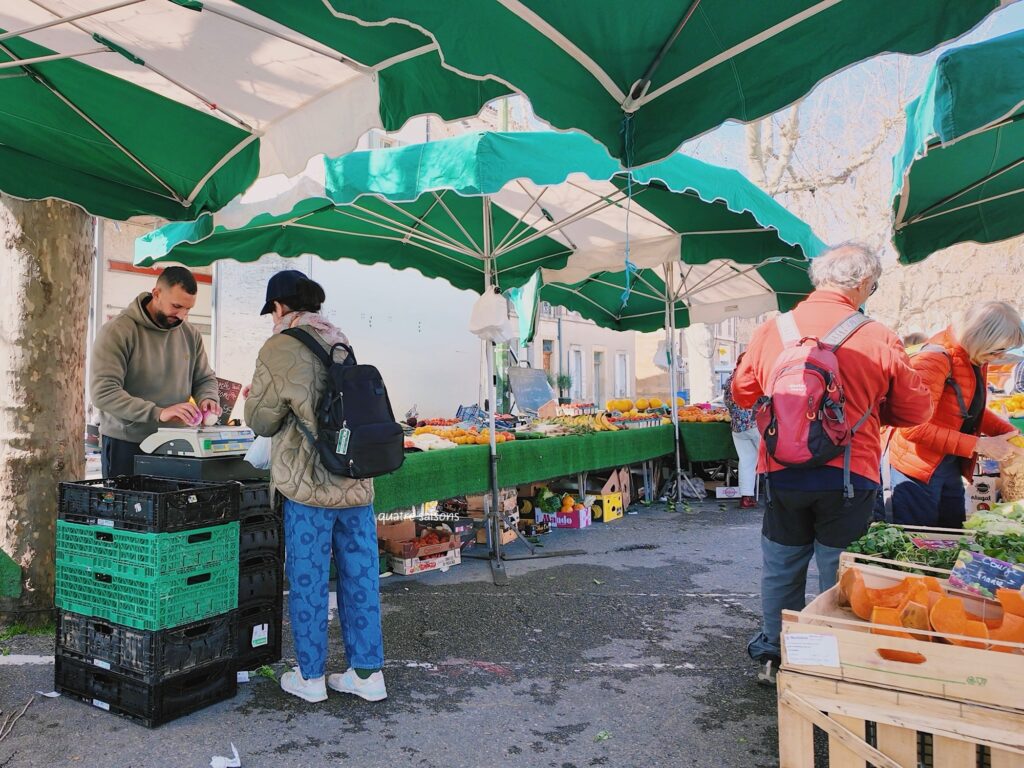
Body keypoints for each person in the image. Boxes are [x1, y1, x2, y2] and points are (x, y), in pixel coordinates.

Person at [731, 243, 932, 685]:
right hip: (850, 474)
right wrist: (868, 410)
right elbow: (916, 410)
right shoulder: (878, 336)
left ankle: (775, 655)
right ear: (863, 283)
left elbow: (743, 393)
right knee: (840, 571)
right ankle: (832, 663)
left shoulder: (772, 330)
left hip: (782, 471)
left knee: (782, 565)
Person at [244, 270, 386, 704]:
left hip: (308, 486)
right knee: (361, 576)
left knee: (308, 580)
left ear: (279, 307)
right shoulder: (339, 340)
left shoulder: (279, 347)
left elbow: (261, 419)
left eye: (272, 311)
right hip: (355, 479)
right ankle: (368, 674)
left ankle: (310, 678)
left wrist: (256, 397)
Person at [889, 302, 1024, 527]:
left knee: (951, 532)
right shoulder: (934, 360)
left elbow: (968, 410)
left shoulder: (973, 356)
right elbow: (912, 428)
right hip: (918, 470)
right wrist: (980, 445)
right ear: (981, 338)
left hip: (947, 462)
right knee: (919, 539)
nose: (1000, 356)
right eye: (997, 350)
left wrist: (1010, 433)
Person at [90, 266, 221, 477]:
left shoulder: (191, 334)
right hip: (127, 444)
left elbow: (205, 378)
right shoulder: (117, 331)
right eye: (176, 306)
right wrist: (159, 413)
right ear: (156, 294)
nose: (182, 316)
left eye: (188, 309)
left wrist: (208, 397)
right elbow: (103, 393)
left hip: (177, 442)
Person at [723, 353, 760, 509]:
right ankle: (777, 495)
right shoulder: (754, 378)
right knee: (771, 460)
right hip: (756, 424)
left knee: (746, 461)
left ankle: (746, 497)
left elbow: (726, 401)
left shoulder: (730, 379)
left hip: (737, 427)